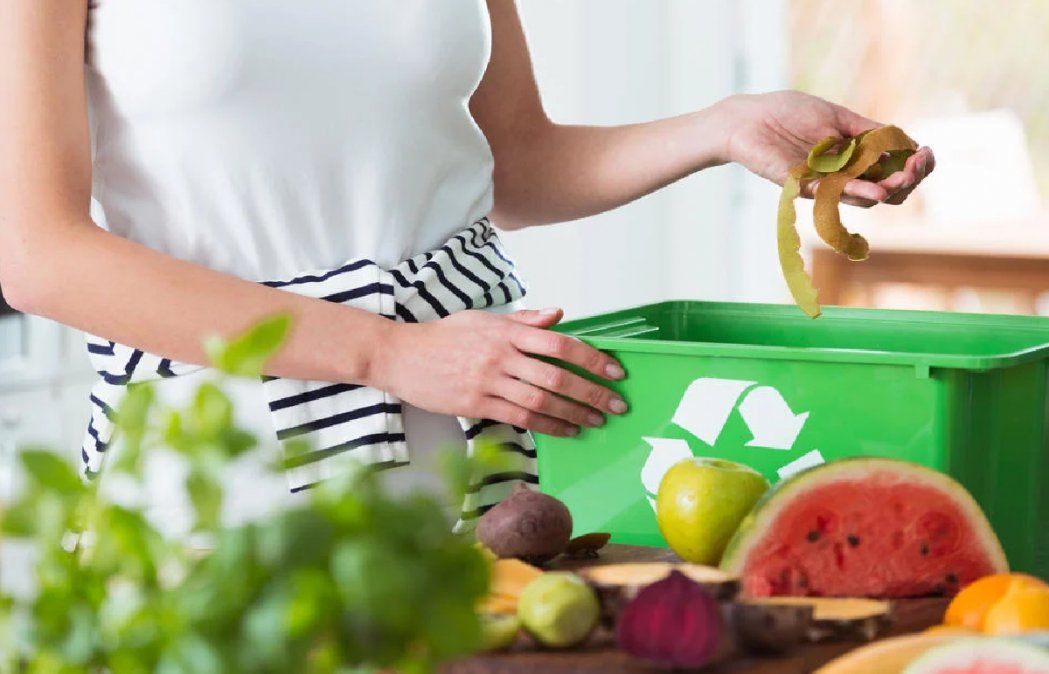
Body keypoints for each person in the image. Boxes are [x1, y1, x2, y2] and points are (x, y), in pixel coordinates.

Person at [0, 1, 933, 529]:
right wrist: (385, 353)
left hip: (469, 440)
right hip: (224, 459)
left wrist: (723, 128)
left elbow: (516, 166)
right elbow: (40, 254)